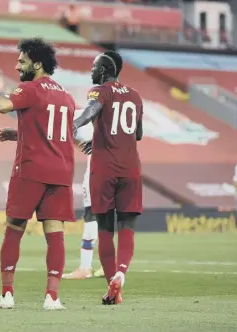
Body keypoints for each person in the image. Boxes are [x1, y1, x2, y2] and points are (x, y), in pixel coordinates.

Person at [0, 37, 76, 310]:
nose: (17, 66)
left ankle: (7, 294)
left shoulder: (30, 88)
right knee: (55, 234)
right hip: (61, 172)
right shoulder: (66, 95)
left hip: (31, 170)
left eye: (22, 61)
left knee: (14, 229)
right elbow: (56, 133)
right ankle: (52, 297)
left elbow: (1, 105)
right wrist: (20, 133)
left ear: (37, 64)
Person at [73, 50, 143, 305]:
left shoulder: (100, 91)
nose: (91, 72)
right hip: (131, 168)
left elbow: (92, 109)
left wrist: (75, 124)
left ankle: (112, 286)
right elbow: (137, 135)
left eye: (93, 67)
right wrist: (99, 138)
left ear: (102, 71)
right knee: (127, 227)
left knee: (104, 228)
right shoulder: (135, 95)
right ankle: (120, 276)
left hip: (104, 168)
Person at [62, 108, 104, 280]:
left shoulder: (82, 116)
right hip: (119, 172)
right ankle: (109, 265)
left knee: (91, 214)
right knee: (108, 218)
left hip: (97, 172)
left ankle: (85, 267)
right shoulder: (117, 115)